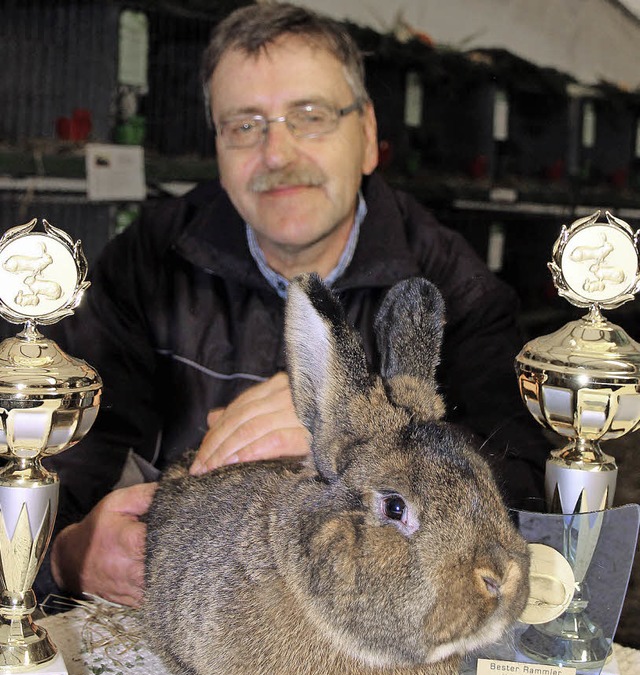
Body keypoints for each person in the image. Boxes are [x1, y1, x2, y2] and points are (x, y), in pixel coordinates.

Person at [38, 1, 547, 608]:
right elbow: (55, 459)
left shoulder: (453, 289)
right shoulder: (147, 264)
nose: (277, 154)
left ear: (366, 138)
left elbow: (528, 494)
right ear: (219, 150)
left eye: (310, 116)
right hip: (188, 619)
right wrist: (66, 555)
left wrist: (364, 438)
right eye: (245, 125)